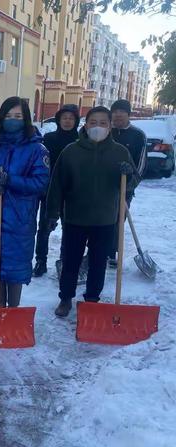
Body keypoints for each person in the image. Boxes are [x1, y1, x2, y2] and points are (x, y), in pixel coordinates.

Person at [46, 106, 138, 317]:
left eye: (103, 123)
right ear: (86, 125)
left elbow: (131, 183)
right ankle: (66, 298)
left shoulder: (119, 152)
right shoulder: (71, 152)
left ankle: (92, 300)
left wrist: (128, 174)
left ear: (110, 126)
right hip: (75, 218)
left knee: (98, 263)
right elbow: (57, 185)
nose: (98, 127)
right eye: (93, 123)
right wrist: (52, 213)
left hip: (105, 219)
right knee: (71, 261)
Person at [0, 97, 50, 307]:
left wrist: (10, 180)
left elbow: (40, 183)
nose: (13, 120)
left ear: (26, 119)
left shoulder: (37, 150)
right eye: (8, 116)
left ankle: (13, 313)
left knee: (15, 268)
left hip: (19, 218)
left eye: (18, 116)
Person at [33, 104, 80, 277]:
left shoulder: (81, 139)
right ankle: (41, 261)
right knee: (44, 227)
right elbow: (42, 163)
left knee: (70, 229)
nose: (67, 121)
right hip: (51, 190)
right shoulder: (49, 138)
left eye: (71, 118)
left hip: (73, 193)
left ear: (76, 121)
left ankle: (64, 260)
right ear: (59, 120)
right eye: (64, 118)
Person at [108, 99, 146, 267]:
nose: (117, 114)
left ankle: (111, 252)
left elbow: (141, 165)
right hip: (102, 187)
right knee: (99, 220)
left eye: (121, 111)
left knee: (117, 221)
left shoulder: (137, 135)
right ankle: (95, 251)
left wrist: (129, 184)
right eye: (115, 111)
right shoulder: (105, 131)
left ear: (128, 114)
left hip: (125, 188)